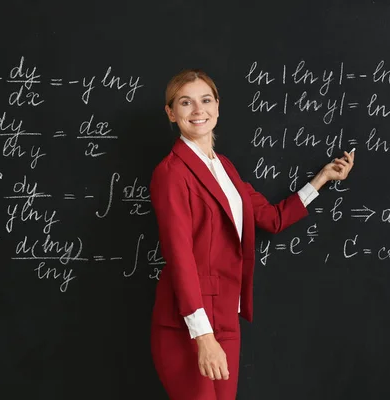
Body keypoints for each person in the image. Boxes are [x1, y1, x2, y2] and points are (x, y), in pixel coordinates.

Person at [149, 69, 355, 400]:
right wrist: (203, 338)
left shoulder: (225, 167)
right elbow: (180, 258)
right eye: (185, 103)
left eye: (205, 100)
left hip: (227, 315)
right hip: (188, 325)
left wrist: (322, 180)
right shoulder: (171, 173)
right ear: (171, 113)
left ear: (217, 106)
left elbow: (272, 219)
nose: (198, 110)